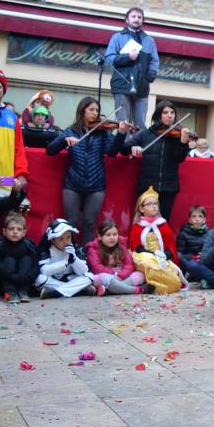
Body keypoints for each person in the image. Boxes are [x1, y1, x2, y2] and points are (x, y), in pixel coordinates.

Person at [46, 97, 130, 243]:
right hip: (72, 183)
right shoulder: (71, 130)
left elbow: (111, 152)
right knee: (70, 222)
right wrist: (64, 140)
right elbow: (50, 150)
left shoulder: (102, 132)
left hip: (96, 185)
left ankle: (86, 256)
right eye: (91, 110)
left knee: (90, 222)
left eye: (97, 110)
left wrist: (121, 134)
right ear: (82, 110)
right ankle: (70, 254)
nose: (95, 113)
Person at [128, 100, 191, 221]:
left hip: (169, 187)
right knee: (144, 222)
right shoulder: (146, 134)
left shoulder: (178, 135)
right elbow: (125, 148)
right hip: (147, 185)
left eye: (172, 112)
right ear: (158, 115)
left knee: (163, 221)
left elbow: (179, 158)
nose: (170, 115)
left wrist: (183, 143)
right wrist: (133, 146)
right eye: (165, 112)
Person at [105, 7, 160, 128]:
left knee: (140, 124)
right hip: (121, 84)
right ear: (127, 20)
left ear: (142, 21)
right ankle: (124, 146)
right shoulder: (117, 37)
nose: (137, 19)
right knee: (123, 123)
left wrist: (151, 74)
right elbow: (109, 58)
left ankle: (138, 147)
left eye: (139, 17)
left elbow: (155, 61)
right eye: (134, 16)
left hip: (142, 87)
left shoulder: (149, 40)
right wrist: (127, 57)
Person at [128, 187, 186, 294]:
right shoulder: (137, 226)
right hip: (145, 258)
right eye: (149, 204)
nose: (153, 206)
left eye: (155, 203)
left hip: (162, 259)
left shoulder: (163, 225)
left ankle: (151, 286)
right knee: (150, 263)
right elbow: (137, 248)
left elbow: (171, 247)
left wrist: (164, 255)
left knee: (175, 282)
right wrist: (154, 254)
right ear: (141, 209)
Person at [0, 213, 39, 303]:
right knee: (9, 260)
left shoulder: (28, 245)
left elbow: (35, 264)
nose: (15, 232)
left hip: (23, 278)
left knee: (26, 259)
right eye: (11, 229)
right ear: (4, 231)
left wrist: (28, 277)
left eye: (19, 229)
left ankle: (23, 291)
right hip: (4, 279)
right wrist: (11, 276)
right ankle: (10, 292)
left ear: (24, 233)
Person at [86, 220, 153, 295]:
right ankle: (137, 290)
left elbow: (129, 264)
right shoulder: (93, 248)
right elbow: (97, 267)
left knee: (140, 274)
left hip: (121, 275)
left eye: (115, 234)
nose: (112, 238)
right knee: (102, 278)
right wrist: (114, 275)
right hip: (105, 276)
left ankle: (110, 290)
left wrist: (120, 276)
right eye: (108, 235)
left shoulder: (121, 243)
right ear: (99, 236)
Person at [34, 219, 94, 299]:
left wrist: (74, 260)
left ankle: (56, 293)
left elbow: (83, 272)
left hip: (72, 279)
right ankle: (77, 290)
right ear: (53, 240)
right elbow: (44, 271)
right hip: (53, 281)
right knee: (40, 279)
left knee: (90, 276)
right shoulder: (46, 251)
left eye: (68, 237)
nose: (66, 242)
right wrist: (64, 263)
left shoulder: (76, 249)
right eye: (61, 239)